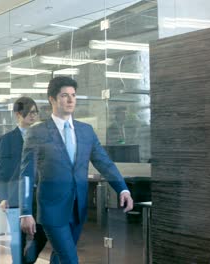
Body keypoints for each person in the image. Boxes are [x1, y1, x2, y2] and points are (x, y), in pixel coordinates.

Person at [19, 77, 134, 264]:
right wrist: (25, 211)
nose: (71, 100)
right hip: (51, 209)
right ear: (52, 99)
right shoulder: (37, 132)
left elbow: (104, 162)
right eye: (65, 95)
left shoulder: (86, 131)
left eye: (73, 95)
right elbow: (26, 174)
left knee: (59, 257)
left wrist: (122, 188)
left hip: (78, 208)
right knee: (70, 259)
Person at [0, 96, 47, 264]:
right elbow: (2, 171)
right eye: (29, 112)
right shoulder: (7, 140)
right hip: (15, 195)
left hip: (39, 194)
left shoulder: (43, 137)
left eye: (35, 112)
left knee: (42, 232)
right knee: (18, 239)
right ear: (18, 114)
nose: (33, 116)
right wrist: (2, 197)